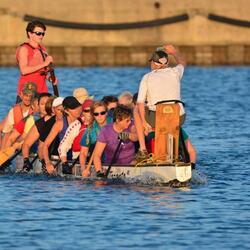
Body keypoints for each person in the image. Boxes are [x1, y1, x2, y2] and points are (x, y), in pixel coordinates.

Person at [134, 44, 186, 160]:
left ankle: (142, 150)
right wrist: (174, 52)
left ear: (153, 63)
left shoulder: (147, 77)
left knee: (136, 110)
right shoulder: (175, 72)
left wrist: (144, 123)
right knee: (165, 117)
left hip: (158, 117)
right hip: (179, 117)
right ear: (166, 64)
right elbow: (182, 62)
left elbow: (140, 103)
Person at [93, 105, 138, 176]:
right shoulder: (105, 131)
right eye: (127, 120)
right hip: (112, 167)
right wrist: (99, 172)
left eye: (130, 120)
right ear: (118, 120)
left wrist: (128, 135)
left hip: (131, 164)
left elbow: (136, 137)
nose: (129, 122)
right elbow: (97, 155)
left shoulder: (131, 125)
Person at [22, 96, 64, 172]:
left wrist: (54, 86)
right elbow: (28, 144)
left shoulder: (62, 119)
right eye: (42, 104)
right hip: (46, 152)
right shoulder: (42, 123)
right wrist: (26, 159)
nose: (44, 106)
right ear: (52, 109)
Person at [16, 20, 54, 102]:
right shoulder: (24, 49)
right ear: (30, 33)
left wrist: (50, 78)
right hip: (28, 92)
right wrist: (45, 63)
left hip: (42, 91)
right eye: (38, 33)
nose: (41, 36)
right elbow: (24, 70)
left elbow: (43, 71)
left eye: (43, 34)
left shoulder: (42, 48)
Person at [43, 96, 82, 174]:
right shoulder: (60, 123)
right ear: (67, 111)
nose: (78, 110)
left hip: (80, 156)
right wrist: (47, 163)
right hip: (64, 157)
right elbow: (45, 145)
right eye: (73, 108)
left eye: (78, 106)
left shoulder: (83, 120)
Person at [80, 101, 112, 177]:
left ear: (107, 113)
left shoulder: (114, 123)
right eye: (96, 114)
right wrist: (83, 169)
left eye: (102, 113)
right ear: (93, 115)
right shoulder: (89, 130)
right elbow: (83, 153)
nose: (100, 116)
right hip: (100, 160)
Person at [1, 82, 37, 149]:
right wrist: (2, 153)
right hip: (15, 143)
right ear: (21, 95)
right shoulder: (13, 111)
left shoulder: (37, 112)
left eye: (31, 96)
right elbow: (7, 133)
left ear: (34, 97)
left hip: (31, 144)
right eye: (26, 95)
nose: (28, 98)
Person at [58, 99, 94, 165]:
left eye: (92, 110)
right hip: (77, 160)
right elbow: (62, 147)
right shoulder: (76, 125)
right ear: (83, 112)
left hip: (97, 159)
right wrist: (64, 163)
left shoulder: (101, 124)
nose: (90, 113)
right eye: (87, 111)